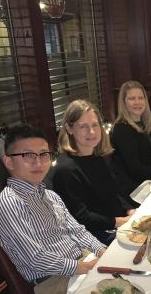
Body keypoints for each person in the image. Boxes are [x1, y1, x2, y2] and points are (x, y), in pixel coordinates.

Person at [0, 125, 105, 294]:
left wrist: (101, 251)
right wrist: (86, 267)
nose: (38, 163)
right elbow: (35, 258)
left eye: (44, 154)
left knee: (132, 278)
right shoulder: (9, 203)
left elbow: (77, 230)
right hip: (55, 283)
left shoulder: (50, 196)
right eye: (28, 156)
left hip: (82, 261)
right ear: (9, 162)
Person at [50, 100, 135, 244]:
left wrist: (129, 210)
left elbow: (113, 194)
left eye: (95, 125)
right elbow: (81, 217)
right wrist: (119, 222)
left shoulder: (96, 157)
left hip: (116, 224)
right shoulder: (65, 169)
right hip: (94, 237)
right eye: (83, 126)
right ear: (69, 128)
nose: (91, 132)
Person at [110, 80, 151, 188]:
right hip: (134, 191)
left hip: (147, 183)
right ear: (123, 102)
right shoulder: (122, 129)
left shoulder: (142, 124)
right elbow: (135, 170)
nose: (137, 102)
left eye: (140, 98)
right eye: (131, 98)